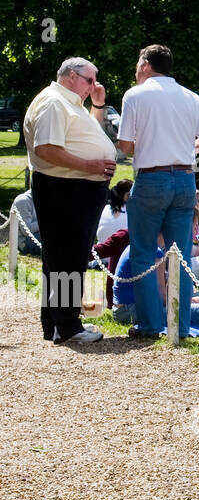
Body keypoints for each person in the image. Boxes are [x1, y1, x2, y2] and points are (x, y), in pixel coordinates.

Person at [116, 44, 199, 339]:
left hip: (151, 178)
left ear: (146, 65)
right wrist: (185, 148)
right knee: (181, 256)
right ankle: (180, 327)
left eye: (138, 64)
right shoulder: (191, 96)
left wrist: (149, 146)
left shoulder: (134, 95)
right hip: (185, 179)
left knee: (144, 252)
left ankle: (150, 325)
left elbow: (124, 145)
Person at [23, 57, 118, 344]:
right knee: (68, 258)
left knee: (63, 258)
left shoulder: (67, 102)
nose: (94, 85)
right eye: (89, 80)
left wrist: (98, 106)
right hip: (65, 188)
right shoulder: (53, 102)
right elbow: (46, 150)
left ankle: (56, 323)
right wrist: (90, 166)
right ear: (70, 76)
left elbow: (85, 134)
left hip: (75, 188)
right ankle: (67, 326)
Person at [97, 179, 133, 243]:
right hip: (121, 250)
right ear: (129, 195)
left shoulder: (104, 208)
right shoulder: (132, 212)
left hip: (101, 248)